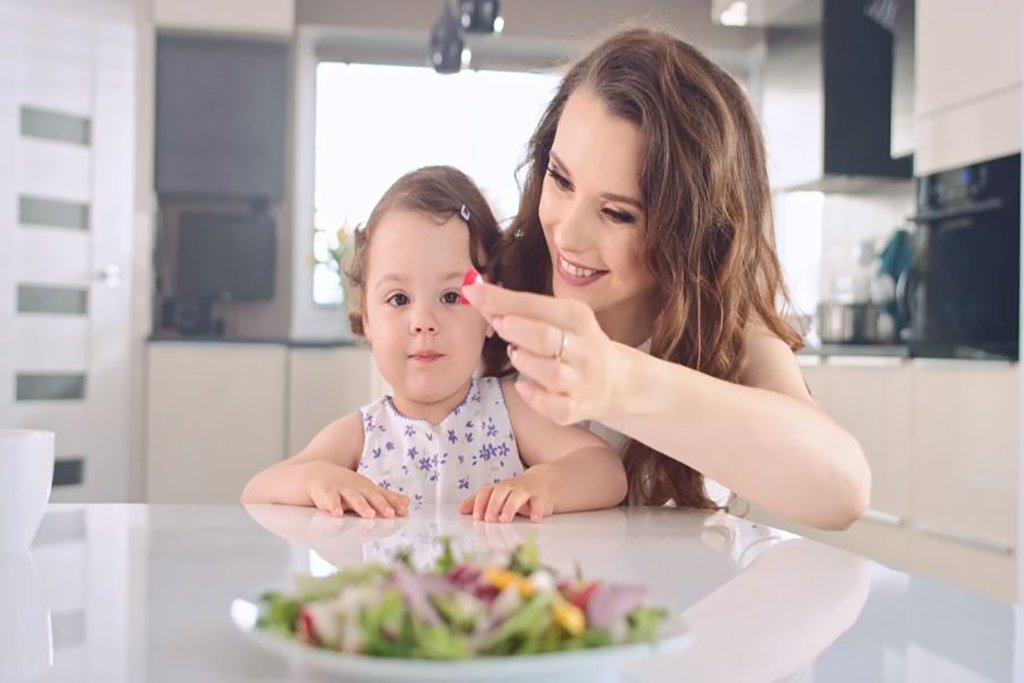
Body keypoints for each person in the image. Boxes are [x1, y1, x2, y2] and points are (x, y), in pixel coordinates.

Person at [460, 28, 871, 530]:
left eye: (617, 213)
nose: (567, 233)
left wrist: (619, 383)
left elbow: (842, 490)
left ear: (689, 234)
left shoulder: (726, 339)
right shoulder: (497, 285)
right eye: (560, 179)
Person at [241, 166, 626, 523]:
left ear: (492, 311)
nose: (423, 322)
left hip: (491, 595)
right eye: (398, 299)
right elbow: (256, 492)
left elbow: (605, 469)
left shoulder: (511, 410)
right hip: (392, 596)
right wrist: (315, 478)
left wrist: (545, 485)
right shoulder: (362, 433)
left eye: (451, 297)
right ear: (367, 319)